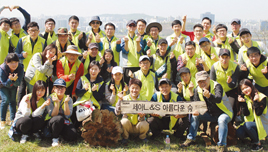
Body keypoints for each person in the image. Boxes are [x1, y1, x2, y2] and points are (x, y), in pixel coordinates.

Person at [181, 71, 233, 152]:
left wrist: (209, 96)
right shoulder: (197, 89)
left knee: (222, 120)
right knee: (195, 116)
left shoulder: (217, 86)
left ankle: (222, 146)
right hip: (210, 114)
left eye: (204, 80)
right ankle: (190, 138)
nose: (202, 83)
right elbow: (196, 103)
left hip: (224, 113)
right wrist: (196, 110)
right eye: (199, 81)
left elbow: (218, 99)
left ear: (209, 78)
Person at [15, 21, 47, 103]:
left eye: (35, 30)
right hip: (23, 69)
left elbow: (45, 56)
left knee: (33, 91)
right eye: (31, 31)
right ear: (27, 31)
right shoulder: (22, 40)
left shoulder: (43, 41)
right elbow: (16, 55)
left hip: (36, 72)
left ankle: (33, 108)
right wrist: (22, 55)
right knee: (22, 90)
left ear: (38, 31)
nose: (33, 32)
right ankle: (20, 109)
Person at [115, 78, 149, 144]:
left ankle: (142, 137)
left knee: (145, 124)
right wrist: (120, 100)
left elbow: (146, 115)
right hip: (128, 126)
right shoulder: (124, 98)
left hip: (138, 126)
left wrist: (141, 116)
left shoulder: (144, 100)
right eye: (132, 88)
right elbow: (117, 112)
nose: (134, 90)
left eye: (137, 88)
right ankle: (125, 137)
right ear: (129, 88)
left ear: (140, 89)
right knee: (123, 121)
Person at [236, 79, 267, 151]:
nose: (245, 90)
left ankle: (258, 144)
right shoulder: (246, 98)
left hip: (263, 124)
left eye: (246, 87)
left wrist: (256, 102)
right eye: (243, 89)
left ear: (251, 86)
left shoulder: (261, 97)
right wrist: (242, 103)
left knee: (248, 125)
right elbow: (246, 114)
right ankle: (253, 138)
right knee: (239, 132)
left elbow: (258, 113)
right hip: (251, 123)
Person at [46, 78, 77, 147]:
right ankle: (55, 138)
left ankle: (60, 135)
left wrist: (65, 103)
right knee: (58, 119)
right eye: (58, 87)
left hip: (64, 121)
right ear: (54, 88)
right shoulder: (50, 98)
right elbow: (52, 115)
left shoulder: (69, 99)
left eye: (62, 87)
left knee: (73, 134)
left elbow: (68, 116)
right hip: (53, 121)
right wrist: (56, 103)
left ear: (65, 89)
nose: (60, 90)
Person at [210, 49, 240, 117]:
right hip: (219, 91)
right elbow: (212, 82)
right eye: (222, 57)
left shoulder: (235, 67)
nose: (224, 60)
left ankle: (230, 124)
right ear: (219, 57)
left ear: (229, 58)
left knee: (230, 107)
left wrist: (229, 82)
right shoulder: (214, 67)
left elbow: (233, 84)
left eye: (227, 57)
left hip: (231, 90)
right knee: (218, 107)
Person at [0, 53, 24, 129]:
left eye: (16, 62)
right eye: (11, 63)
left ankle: (12, 119)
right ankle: (2, 120)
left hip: (13, 85)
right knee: (5, 100)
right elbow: (4, 83)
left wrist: (15, 80)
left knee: (13, 101)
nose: (14, 64)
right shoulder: (2, 68)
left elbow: (19, 83)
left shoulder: (20, 67)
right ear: (7, 63)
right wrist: (10, 80)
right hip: (3, 86)